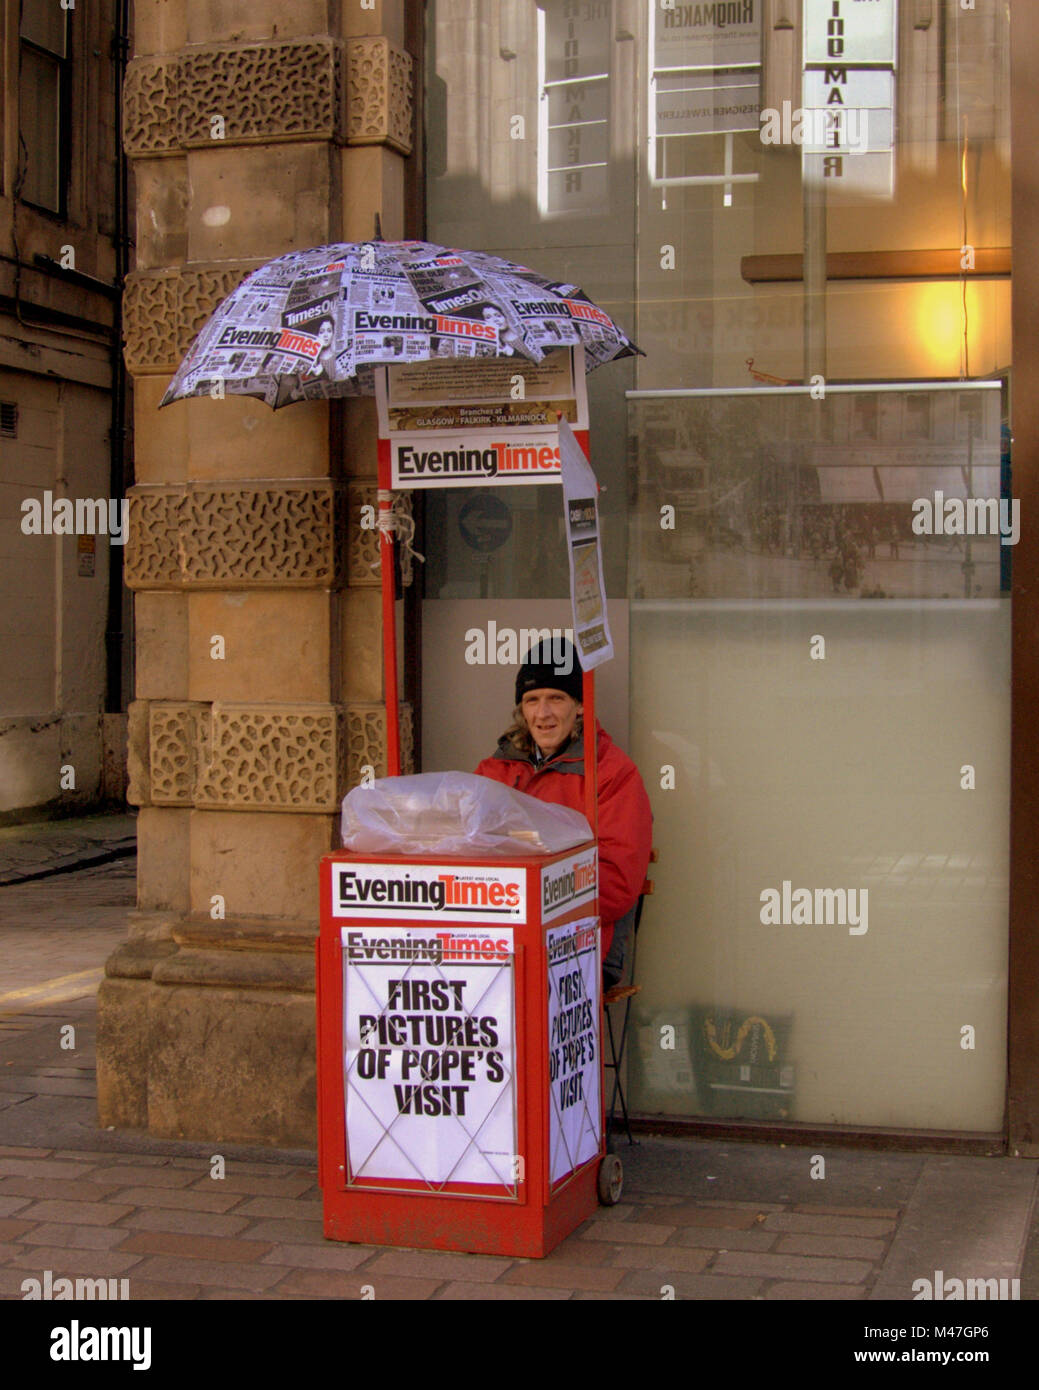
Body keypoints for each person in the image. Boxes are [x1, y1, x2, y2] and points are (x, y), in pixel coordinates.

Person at [475, 640, 653, 987]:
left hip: (578, 944)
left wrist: (531, 899)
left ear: (581, 706)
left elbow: (615, 885)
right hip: (499, 939)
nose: (543, 714)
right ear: (521, 711)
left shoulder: (613, 772)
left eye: (556, 698)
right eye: (532, 700)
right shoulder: (495, 768)